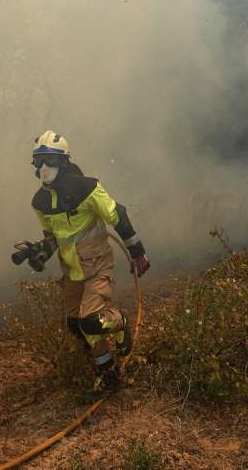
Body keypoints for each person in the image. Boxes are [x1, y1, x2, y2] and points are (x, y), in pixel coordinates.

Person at [23, 130, 150, 391]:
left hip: (97, 266)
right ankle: (108, 370)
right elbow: (52, 237)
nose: (44, 167)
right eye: (39, 161)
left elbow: (118, 216)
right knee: (75, 324)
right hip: (72, 271)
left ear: (64, 161)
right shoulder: (40, 202)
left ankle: (120, 320)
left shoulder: (87, 188)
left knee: (91, 320)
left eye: (50, 160)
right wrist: (39, 253)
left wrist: (138, 253)